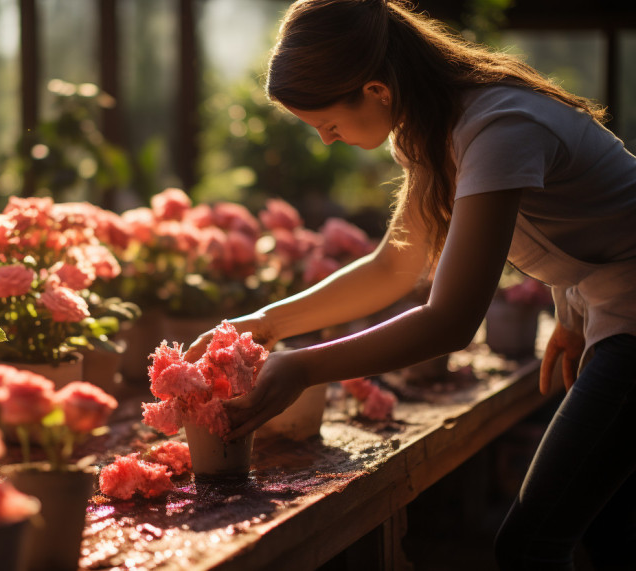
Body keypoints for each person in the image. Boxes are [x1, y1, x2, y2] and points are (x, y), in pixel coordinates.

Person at [184, 0, 636, 568]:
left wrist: (304, 366)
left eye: (328, 124)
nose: (326, 140)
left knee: (531, 542)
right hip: (608, 307)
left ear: (376, 90)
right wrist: (267, 322)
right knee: (605, 526)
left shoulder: (496, 128)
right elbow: (394, 266)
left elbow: (451, 320)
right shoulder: (432, 128)